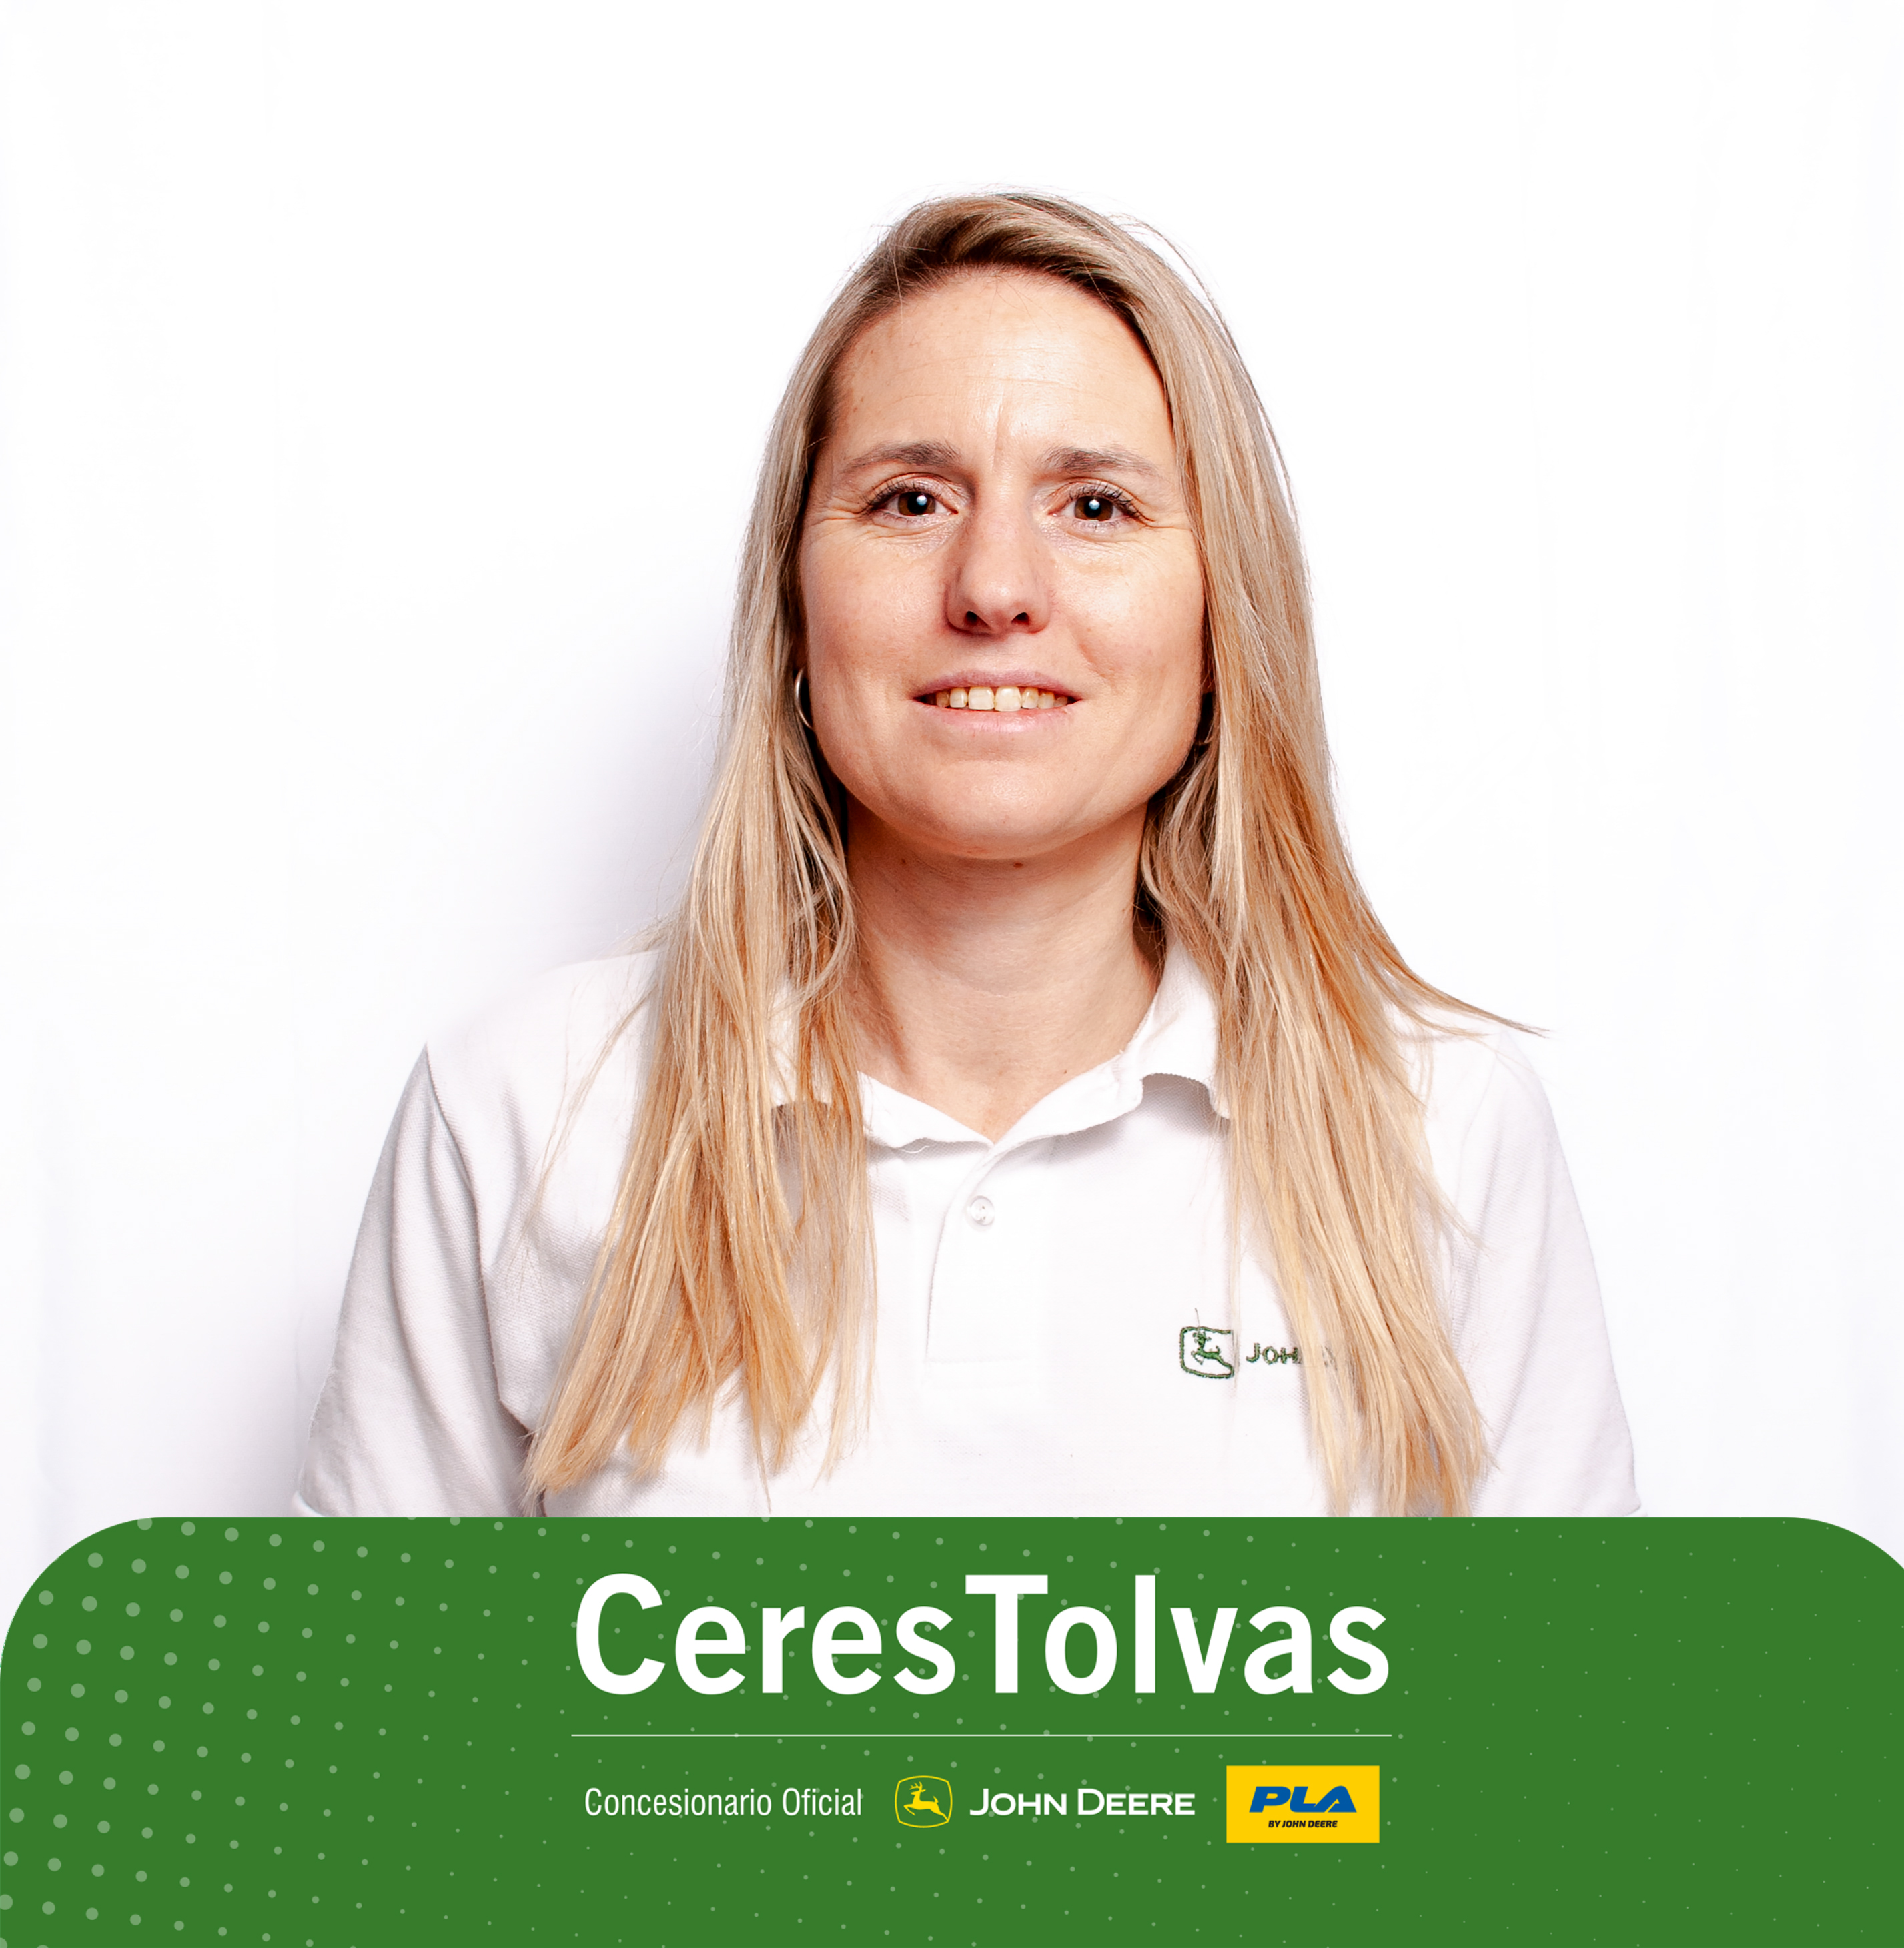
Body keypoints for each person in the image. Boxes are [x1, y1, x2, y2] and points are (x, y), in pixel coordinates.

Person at [297, 193, 1636, 1521]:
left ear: (1220, 617)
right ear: (796, 607)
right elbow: (369, 1677)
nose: (994, 587)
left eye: (1096, 505)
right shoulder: (522, 1107)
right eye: (911, 498)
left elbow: (1569, 1675)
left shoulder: (1443, 1126)